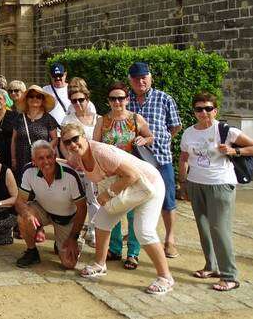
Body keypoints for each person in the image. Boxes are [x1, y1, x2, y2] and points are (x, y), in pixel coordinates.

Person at [63, 123, 174, 295]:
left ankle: (166, 277)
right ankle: (100, 265)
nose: (72, 144)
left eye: (75, 139)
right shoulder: (77, 156)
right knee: (101, 221)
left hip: (149, 184)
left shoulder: (101, 151)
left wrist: (108, 194)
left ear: (84, 136)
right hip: (126, 190)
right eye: (67, 142)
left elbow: (133, 175)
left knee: (143, 230)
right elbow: (67, 163)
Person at [179, 92, 253, 292]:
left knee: (220, 229)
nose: (204, 112)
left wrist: (233, 151)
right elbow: (184, 157)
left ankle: (230, 276)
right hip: (196, 183)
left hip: (220, 184)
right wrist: (183, 182)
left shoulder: (226, 131)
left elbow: (252, 147)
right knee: (204, 227)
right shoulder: (188, 133)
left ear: (215, 110)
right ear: (194, 111)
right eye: (199, 109)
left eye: (208, 108)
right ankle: (210, 266)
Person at [93, 82, 154, 269]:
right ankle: (115, 248)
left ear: (127, 99)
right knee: (114, 209)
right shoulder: (102, 121)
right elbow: (95, 145)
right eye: (113, 98)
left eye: (121, 98)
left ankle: (133, 253)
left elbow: (150, 137)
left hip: (133, 173)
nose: (117, 102)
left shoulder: (136, 119)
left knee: (134, 213)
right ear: (108, 101)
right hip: (111, 174)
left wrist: (144, 139)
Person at [127, 62, 182, 258]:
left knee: (168, 200)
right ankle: (135, 234)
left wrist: (161, 139)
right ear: (130, 80)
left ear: (150, 77)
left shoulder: (164, 99)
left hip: (161, 158)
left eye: (144, 77)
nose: (140, 81)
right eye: (136, 78)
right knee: (134, 199)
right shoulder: (126, 100)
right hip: (134, 161)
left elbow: (175, 127)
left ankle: (170, 239)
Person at [14, 140, 85, 269]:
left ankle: (71, 240)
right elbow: (19, 201)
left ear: (54, 156)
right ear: (33, 160)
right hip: (43, 209)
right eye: (40, 158)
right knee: (23, 218)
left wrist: (73, 238)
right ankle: (32, 252)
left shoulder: (70, 175)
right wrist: (26, 213)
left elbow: (82, 208)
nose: (46, 161)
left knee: (69, 264)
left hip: (66, 218)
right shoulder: (29, 170)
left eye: (49, 157)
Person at [60, 82, 101, 249]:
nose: (77, 104)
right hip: (75, 165)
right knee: (76, 198)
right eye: (74, 101)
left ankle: (93, 230)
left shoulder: (98, 119)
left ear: (87, 99)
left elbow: (98, 142)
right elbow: (63, 143)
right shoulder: (68, 119)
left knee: (94, 199)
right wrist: (70, 158)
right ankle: (73, 231)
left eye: (81, 100)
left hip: (92, 164)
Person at [10, 85, 59, 175]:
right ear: (27, 99)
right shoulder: (19, 118)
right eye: (31, 96)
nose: (34, 98)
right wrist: (13, 159)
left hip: (42, 160)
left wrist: (43, 151)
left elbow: (55, 139)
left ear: (42, 100)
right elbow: (14, 140)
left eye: (38, 97)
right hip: (22, 159)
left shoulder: (48, 118)